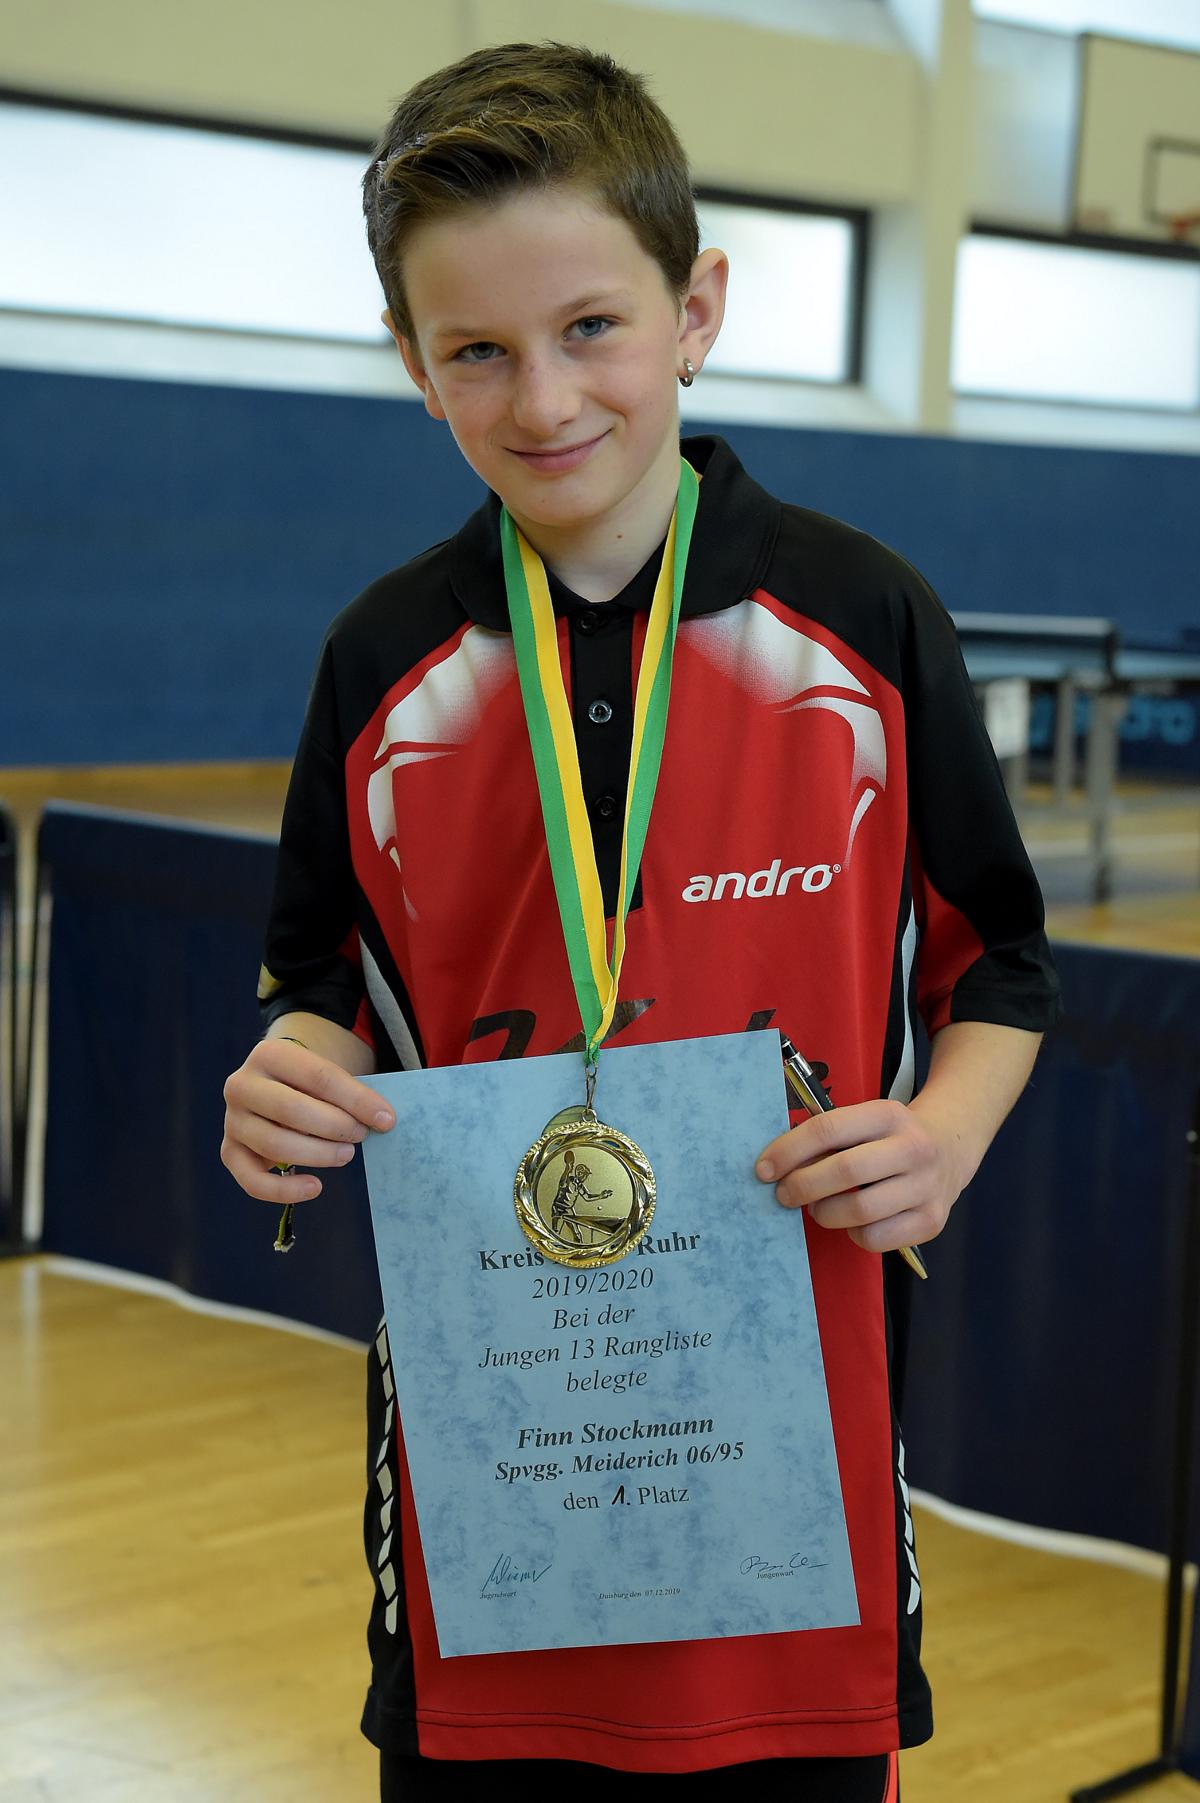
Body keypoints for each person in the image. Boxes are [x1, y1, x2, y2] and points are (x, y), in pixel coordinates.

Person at [221, 40, 1060, 1802]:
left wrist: (944, 1137)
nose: (542, 400)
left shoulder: (865, 620)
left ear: (696, 311)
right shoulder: (381, 659)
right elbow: (324, 984)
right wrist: (288, 1075)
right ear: (414, 365)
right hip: (488, 1455)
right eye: (476, 351)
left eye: (591, 327)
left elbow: (1001, 966)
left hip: (791, 1447)